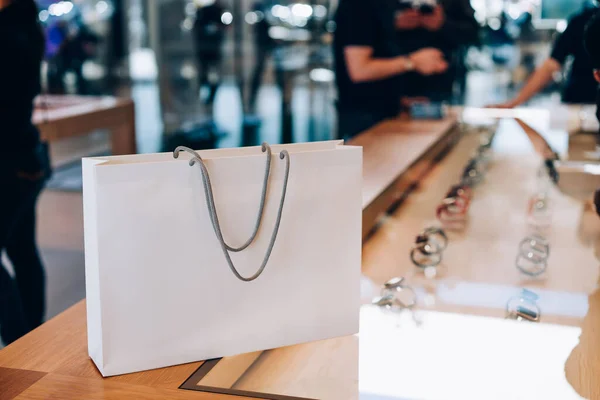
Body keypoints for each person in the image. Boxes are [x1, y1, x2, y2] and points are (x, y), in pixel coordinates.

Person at [0, 0, 51, 345]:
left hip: (9, 159)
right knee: (22, 249)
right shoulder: (24, 26)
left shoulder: (9, 34)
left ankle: (20, 346)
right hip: (24, 157)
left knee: (22, 250)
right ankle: (31, 343)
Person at [334, 0, 448, 139]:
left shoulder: (385, 5)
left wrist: (399, 100)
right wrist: (413, 62)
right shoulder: (358, 4)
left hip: (385, 113)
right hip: (362, 118)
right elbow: (359, 70)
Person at [492, 2, 599, 108]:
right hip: (580, 103)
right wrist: (515, 102)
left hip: (579, 101)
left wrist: (515, 102)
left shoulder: (582, 21)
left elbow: (551, 65)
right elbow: (551, 65)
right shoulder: (582, 22)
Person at [394, 0, 479, 102]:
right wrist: (394, 23)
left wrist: (442, 24)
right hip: (390, 80)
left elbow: (473, 34)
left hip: (440, 80)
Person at [193, 0, 227, 106]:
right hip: (206, 49)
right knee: (205, 74)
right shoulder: (205, 11)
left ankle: (210, 98)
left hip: (213, 49)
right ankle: (205, 96)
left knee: (212, 74)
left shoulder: (222, 12)